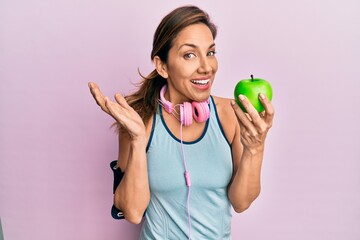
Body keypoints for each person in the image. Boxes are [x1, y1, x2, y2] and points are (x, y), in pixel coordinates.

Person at [88, 5, 274, 239]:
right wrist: (136, 139)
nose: (206, 67)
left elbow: (241, 202)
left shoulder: (230, 114)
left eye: (210, 52)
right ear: (162, 66)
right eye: (189, 55)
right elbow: (133, 213)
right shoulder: (140, 120)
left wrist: (255, 149)